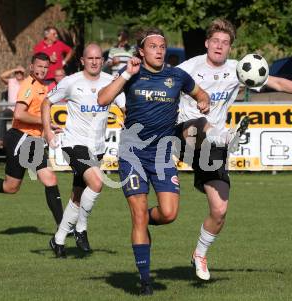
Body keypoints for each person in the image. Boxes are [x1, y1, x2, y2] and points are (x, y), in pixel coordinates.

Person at [175, 18, 292, 281]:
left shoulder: (239, 69)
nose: (219, 46)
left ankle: (199, 255)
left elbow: (278, 83)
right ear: (206, 43)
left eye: (225, 43)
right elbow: (163, 85)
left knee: (220, 209)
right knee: (201, 124)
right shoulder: (188, 68)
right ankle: (224, 137)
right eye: (215, 41)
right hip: (185, 134)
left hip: (213, 146)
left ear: (230, 47)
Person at [97, 28, 210, 295]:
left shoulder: (177, 76)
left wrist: (203, 102)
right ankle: (145, 280)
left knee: (169, 213)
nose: (159, 50)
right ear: (141, 51)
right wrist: (126, 73)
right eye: (153, 46)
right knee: (137, 214)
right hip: (132, 152)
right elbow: (102, 99)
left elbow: (201, 95)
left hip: (162, 154)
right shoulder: (131, 75)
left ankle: (142, 220)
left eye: (162, 46)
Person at [42, 44, 125, 258]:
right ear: (82, 60)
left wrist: (131, 122)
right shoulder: (71, 82)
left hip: (96, 147)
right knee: (97, 183)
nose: (95, 61)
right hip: (74, 143)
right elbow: (46, 102)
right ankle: (81, 229)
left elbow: (125, 107)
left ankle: (58, 239)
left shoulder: (111, 82)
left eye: (98, 58)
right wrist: (48, 131)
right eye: (90, 58)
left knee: (78, 195)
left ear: (103, 60)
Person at [0, 53, 64, 230]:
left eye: (45, 67)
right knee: (16, 186)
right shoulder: (29, 86)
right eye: (39, 66)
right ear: (31, 67)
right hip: (21, 138)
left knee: (40, 181)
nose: (42, 70)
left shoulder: (42, 86)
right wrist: (45, 122)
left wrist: (48, 127)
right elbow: (18, 114)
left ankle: (63, 228)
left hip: (32, 141)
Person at [0, 66, 26, 145]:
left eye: (20, 72)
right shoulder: (11, 81)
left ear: (23, 73)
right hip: (11, 109)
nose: (19, 74)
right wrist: (14, 69)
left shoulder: (27, 82)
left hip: (23, 110)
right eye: (17, 72)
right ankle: (1, 140)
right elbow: (1, 76)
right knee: (1, 115)